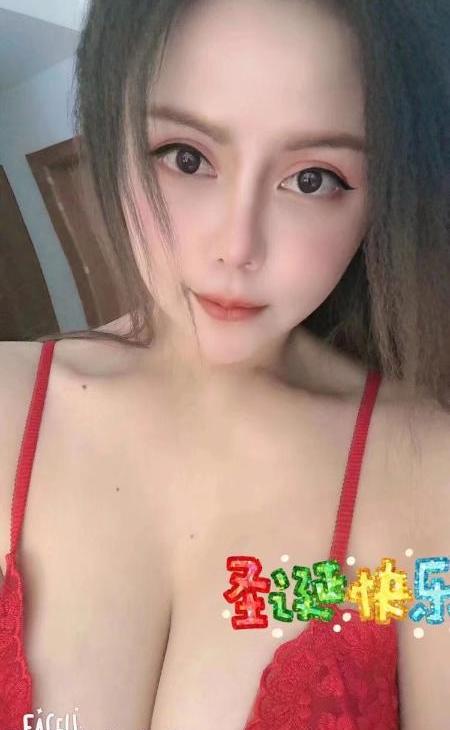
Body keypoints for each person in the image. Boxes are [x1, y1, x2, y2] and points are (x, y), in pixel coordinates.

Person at [0, 0, 449, 728]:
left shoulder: (430, 470)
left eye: (314, 178)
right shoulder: (7, 400)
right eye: (187, 157)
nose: (237, 247)